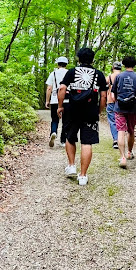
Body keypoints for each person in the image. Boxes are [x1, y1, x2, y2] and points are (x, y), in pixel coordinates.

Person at [57, 47, 107, 186]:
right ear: (92, 60)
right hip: (90, 112)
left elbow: (62, 88)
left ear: (78, 59)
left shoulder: (72, 72)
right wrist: (99, 110)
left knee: (70, 137)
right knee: (87, 142)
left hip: (72, 110)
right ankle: (83, 176)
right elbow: (103, 95)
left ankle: (72, 165)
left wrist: (60, 106)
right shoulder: (99, 74)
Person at [111, 54, 136, 168]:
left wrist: (116, 101)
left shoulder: (119, 76)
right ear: (134, 65)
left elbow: (113, 93)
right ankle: (129, 152)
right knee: (131, 131)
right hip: (132, 108)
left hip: (120, 107)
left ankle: (122, 157)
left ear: (124, 64)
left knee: (121, 131)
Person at [45, 56, 68, 147]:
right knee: (66, 121)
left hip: (55, 100)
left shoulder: (53, 73)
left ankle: (53, 132)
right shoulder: (69, 73)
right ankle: (63, 141)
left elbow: (49, 88)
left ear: (58, 64)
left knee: (54, 119)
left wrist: (47, 100)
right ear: (66, 64)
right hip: (67, 100)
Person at [106, 62, 123, 148]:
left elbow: (103, 86)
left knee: (112, 120)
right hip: (122, 101)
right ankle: (121, 139)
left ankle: (116, 140)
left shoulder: (109, 77)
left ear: (113, 68)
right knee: (121, 120)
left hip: (111, 100)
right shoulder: (124, 76)